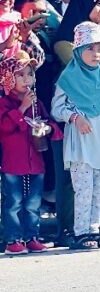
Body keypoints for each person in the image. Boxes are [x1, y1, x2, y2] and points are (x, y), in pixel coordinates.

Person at [51, 22, 100, 251]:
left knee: (97, 188)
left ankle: (94, 229)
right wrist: (74, 118)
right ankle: (81, 232)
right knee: (83, 188)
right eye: (89, 48)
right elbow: (56, 109)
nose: (95, 54)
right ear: (78, 50)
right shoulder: (68, 78)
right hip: (80, 144)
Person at [0, 51, 61, 254]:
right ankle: (12, 241)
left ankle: (31, 237)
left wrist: (48, 129)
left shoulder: (37, 104)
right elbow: (4, 128)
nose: (28, 79)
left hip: (36, 162)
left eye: (30, 74)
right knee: (14, 203)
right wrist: (22, 108)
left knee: (33, 203)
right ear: (8, 78)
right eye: (21, 75)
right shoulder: (4, 103)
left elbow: (51, 124)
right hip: (13, 164)